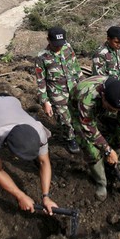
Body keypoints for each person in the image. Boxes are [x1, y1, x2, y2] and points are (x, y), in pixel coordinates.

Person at [70, 76, 120, 201]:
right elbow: (89, 129)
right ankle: (101, 182)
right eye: (111, 109)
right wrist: (107, 150)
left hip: (102, 107)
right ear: (103, 96)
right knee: (90, 148)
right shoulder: (86, 99)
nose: (113, 111)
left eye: (116, 110)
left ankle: (111, 161)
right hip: (78, 109)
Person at [35, 26, 82, 154]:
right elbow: (41, 80)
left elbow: (76, 66)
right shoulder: (42, 57)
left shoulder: (67, 47)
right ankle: (70, 138)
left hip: (74, 88)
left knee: (79, 114)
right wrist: (45, 101)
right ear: (48, 40)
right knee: (64, 118)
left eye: (60, 44)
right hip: (57, 93)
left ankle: (80, 135)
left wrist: (83, 84)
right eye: (56, 45)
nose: (59, 47)